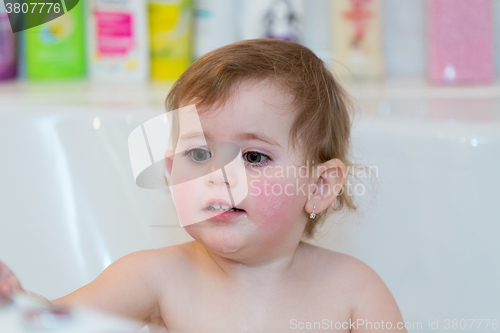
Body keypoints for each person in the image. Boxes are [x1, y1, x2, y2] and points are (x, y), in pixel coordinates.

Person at [0, 38, 406, 332]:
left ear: (319, 186)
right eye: (197, 154)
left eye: (253, 157)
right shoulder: (156, 278)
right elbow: (56, 324)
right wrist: (14, 303)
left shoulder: (355, 292)